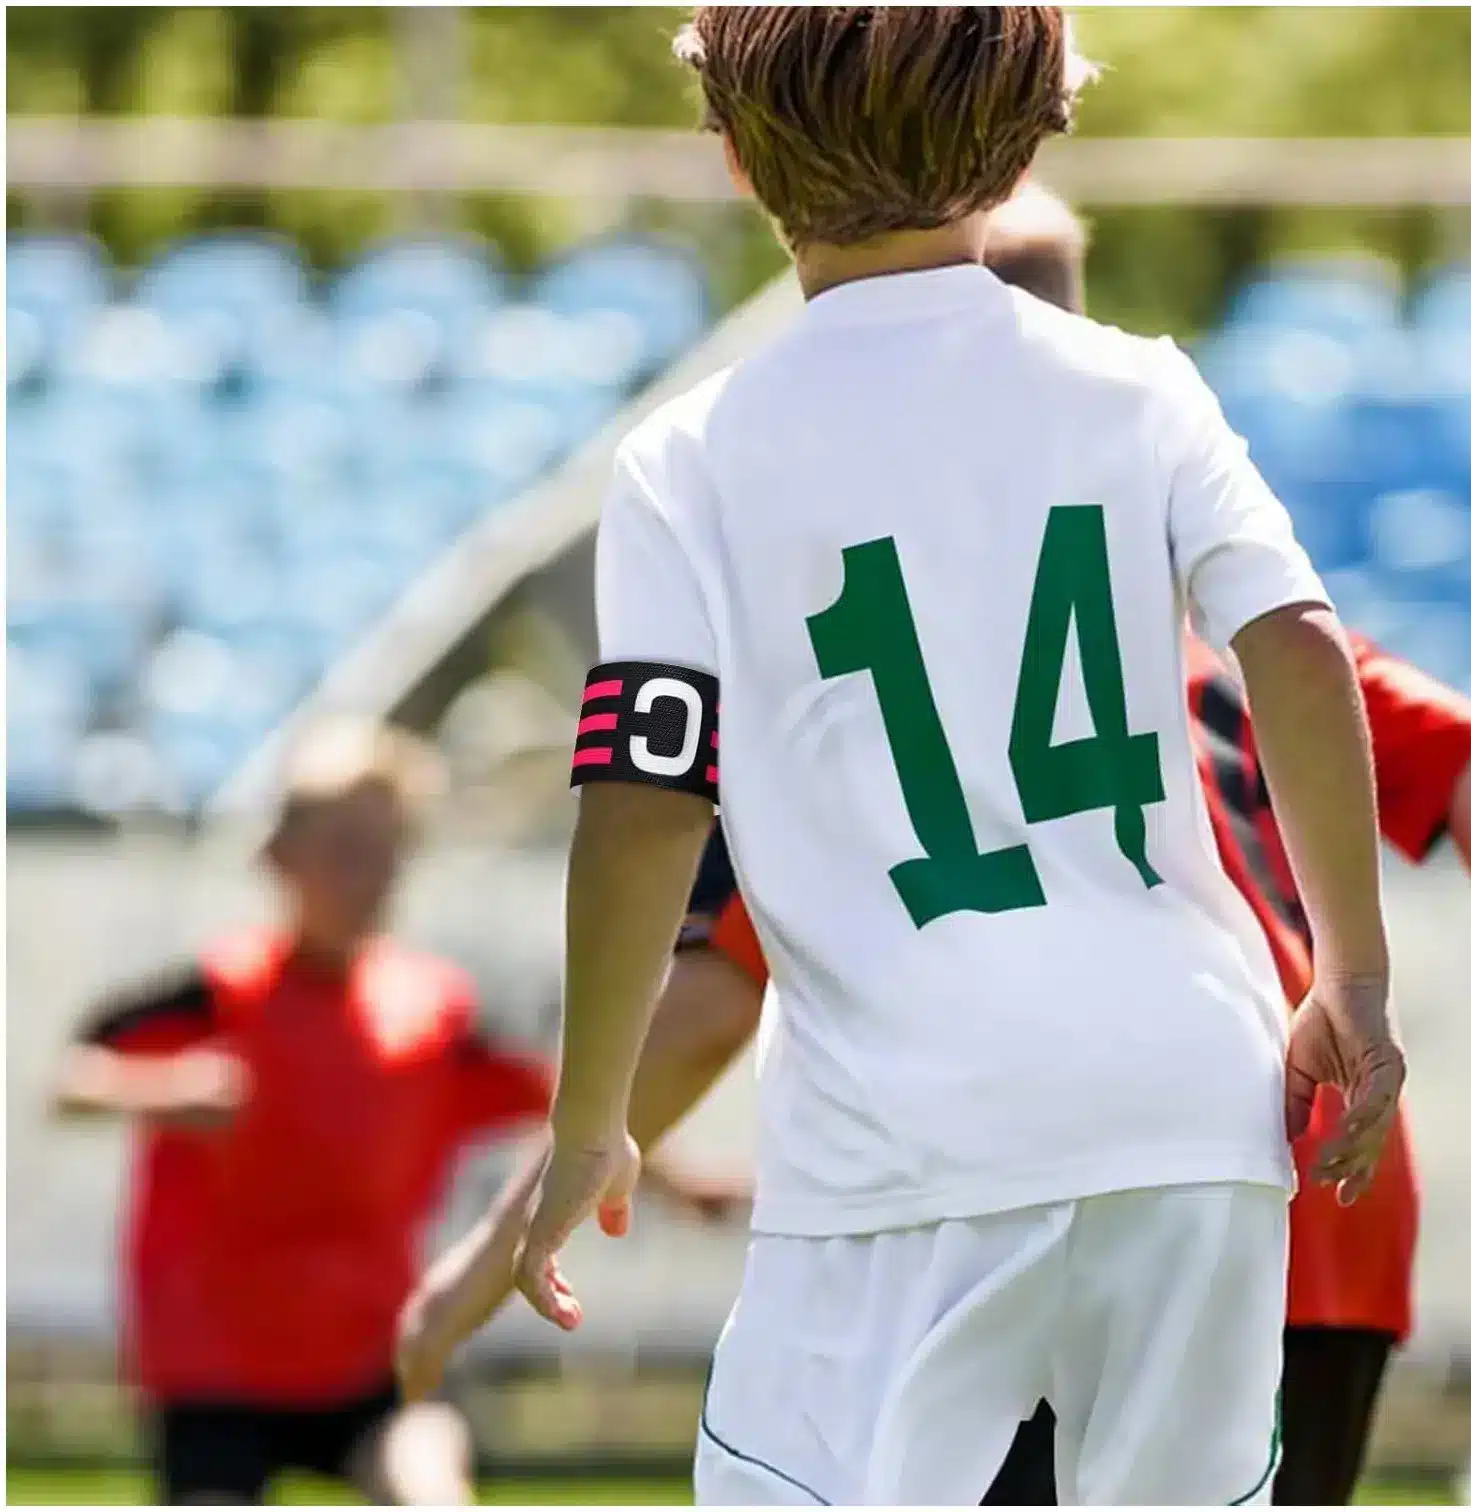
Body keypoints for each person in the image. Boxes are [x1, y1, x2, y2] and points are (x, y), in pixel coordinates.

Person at [407, 10, 1404, 1504]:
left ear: (736, 156)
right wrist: (1353, 975)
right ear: (1029, 141)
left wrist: (587, 1122)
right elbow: (1302, 654)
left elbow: (646, 803)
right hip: (1194, 1098)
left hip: (904, 1137)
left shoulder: (690, 461)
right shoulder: (1144, 387)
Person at [620, 187, 1471, 1508]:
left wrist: (582, 1137)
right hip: (1311, 1167)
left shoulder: (868, 689)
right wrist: (1355, 977)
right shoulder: (1231, 627)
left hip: (1036, 1174)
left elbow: (715, 978)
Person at [52, 718, 558, 1505]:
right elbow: (75, 1079)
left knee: (430, 1486)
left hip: (371, 1352)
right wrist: (165, 1089)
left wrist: (676, 1176)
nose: (372, 876)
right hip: (215, 1362)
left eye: (388, 852)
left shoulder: (431, 1012)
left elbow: (566, 1109)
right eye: (346, 851)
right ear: (279, 856)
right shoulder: (219, 994)